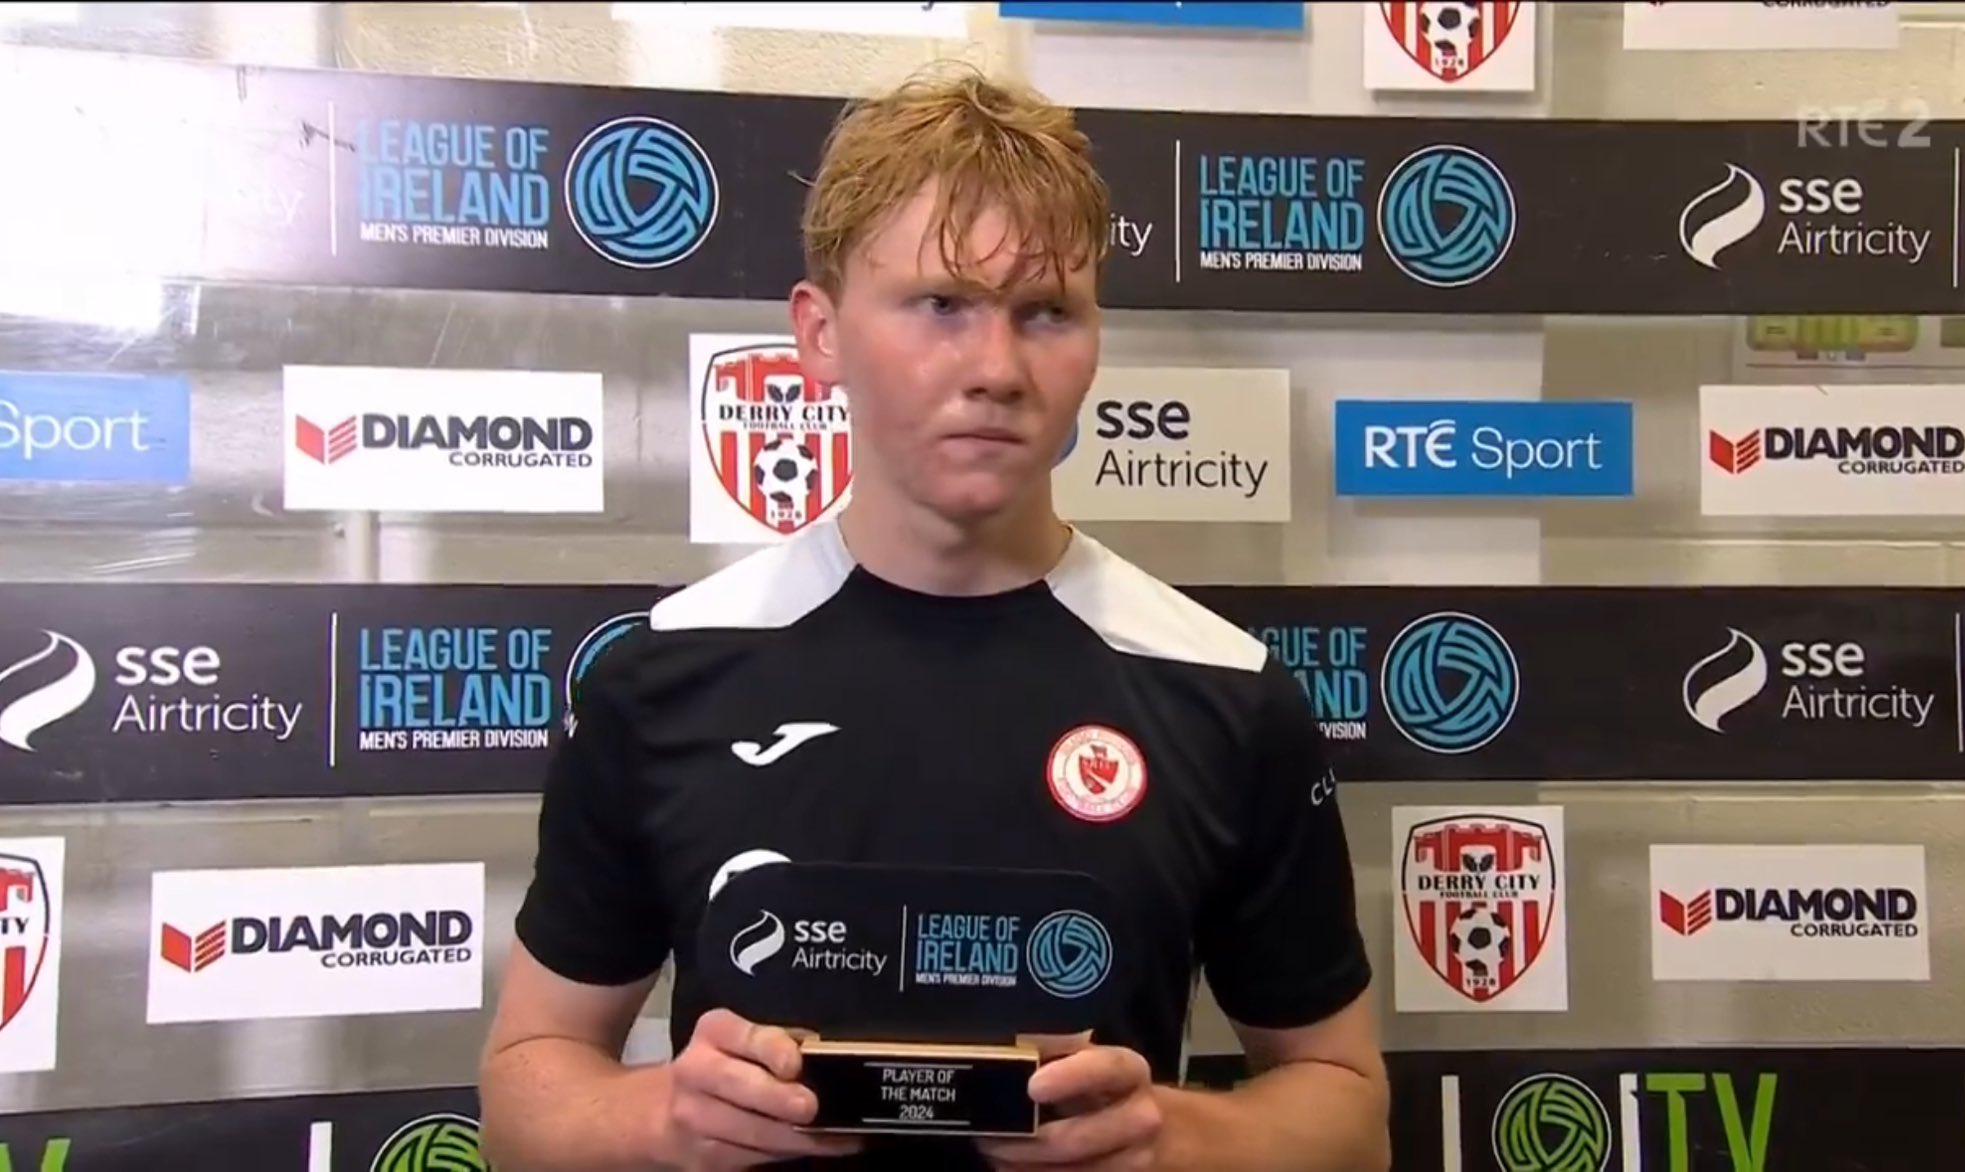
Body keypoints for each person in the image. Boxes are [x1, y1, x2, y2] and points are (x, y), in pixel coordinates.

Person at [477, 63, 1391, 1172]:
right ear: (818, 333)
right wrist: (663, 1115)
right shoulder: (658, 678)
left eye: (1045, 311)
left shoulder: (1227, 692)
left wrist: (1174, 1132)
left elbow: (1345, 1110)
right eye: (940, 304)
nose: (996, 368)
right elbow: (527, 1093)